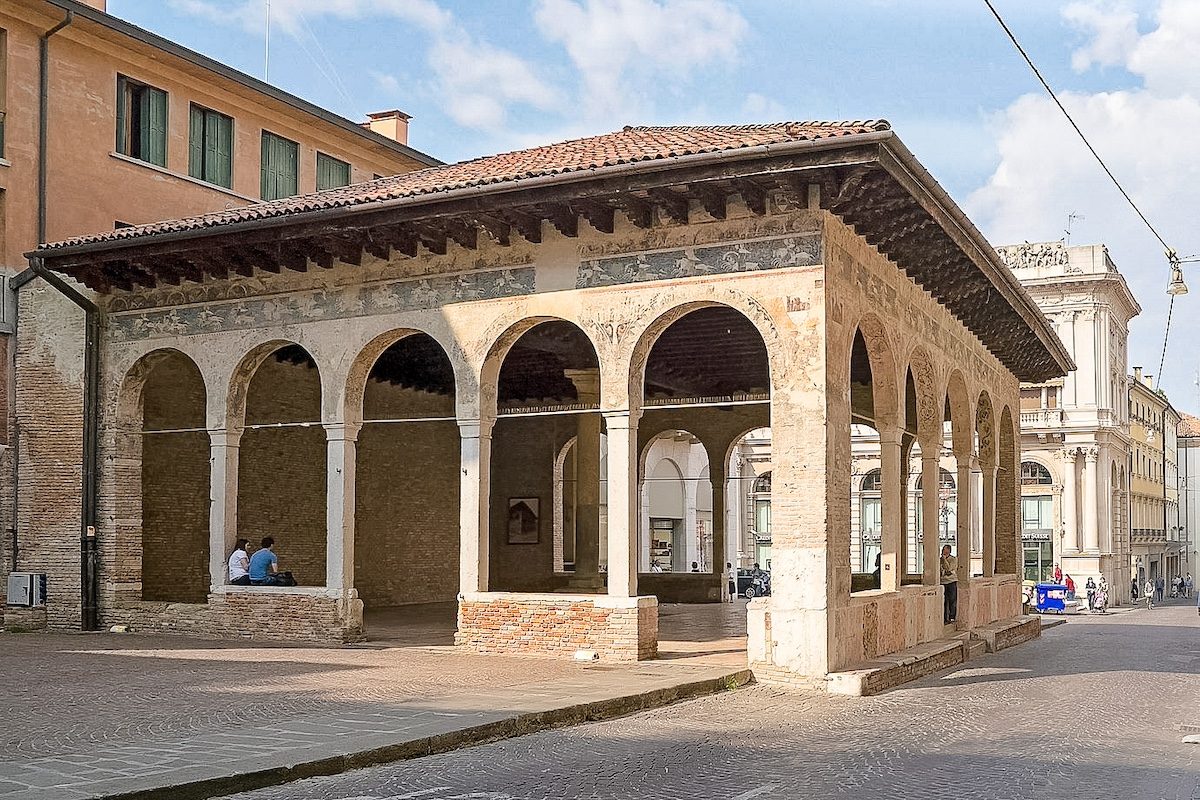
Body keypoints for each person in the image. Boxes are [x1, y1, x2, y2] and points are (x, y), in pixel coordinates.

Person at [940, 545, 958, 625]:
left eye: (946, 550)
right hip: (943, 582)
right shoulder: (939, 560)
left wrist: (944, 560)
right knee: (944, 601)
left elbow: (949, 569)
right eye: (943, 550)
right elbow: (941, 571)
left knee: (952, 600)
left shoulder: (953, 559)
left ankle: (952, 617)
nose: (944, 551)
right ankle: (944, 618)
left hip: (951, 581)